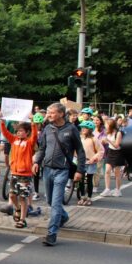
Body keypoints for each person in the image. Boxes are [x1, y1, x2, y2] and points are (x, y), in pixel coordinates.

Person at [33, 103, 85, 246]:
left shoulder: (71, 129)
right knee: (49, 201)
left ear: (61, 114)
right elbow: (42, 147)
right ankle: (64, 216)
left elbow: (80, 150)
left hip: (62, 171)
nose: (48, 115)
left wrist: (80, 170)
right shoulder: (47, 129)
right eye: (48, 112)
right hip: (47, 170)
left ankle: (51, 234)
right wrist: (37, 161)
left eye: (52, 113)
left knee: (55, 203)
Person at [0, 118, 38, 228]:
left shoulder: (29, 142)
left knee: (22, 198)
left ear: (27, 132)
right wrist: (2, 122)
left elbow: (35, 135)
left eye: (21, 131)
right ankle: (17, 208)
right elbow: (5, 133)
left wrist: (33, 123)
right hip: (14, 173)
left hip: (25, 175)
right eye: (18, 131)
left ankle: (22, 219)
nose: (19, 133)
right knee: (12, 195)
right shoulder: (14, 140)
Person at [78, 121, 103, 205]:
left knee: (89, 180)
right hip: (81, 162)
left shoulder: (94, 139)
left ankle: (89, 197)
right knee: (80, 180)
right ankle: (82, 197)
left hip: (90, 162)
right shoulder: (80, 138)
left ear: (90, 129)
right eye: (82, 128)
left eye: (86, 128)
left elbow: (101, 151)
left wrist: (94, 158)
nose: (83, 129)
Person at [100, 118, 124, 197]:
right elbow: (106, 142)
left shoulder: (118, 133)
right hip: (110, 152)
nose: (105, 126)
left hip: (118, 153)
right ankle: (107, 189)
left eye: (106, 124)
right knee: (107, 171)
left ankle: (118, 190)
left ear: (111, 125)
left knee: (117, 173)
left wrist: (108, 140)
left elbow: (117, 145)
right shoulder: (108, 132)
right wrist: (104, 141)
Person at [92, 115, 106, 192]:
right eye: (94, 120)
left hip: (100, 153)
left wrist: (100, 141)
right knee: (89, 170)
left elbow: (104, 140)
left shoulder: (104, 131)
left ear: (100, 121)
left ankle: (95, 186)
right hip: (90, 153)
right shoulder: (91, 129)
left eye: (97, 120)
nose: (95, 122)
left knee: (97, 170)